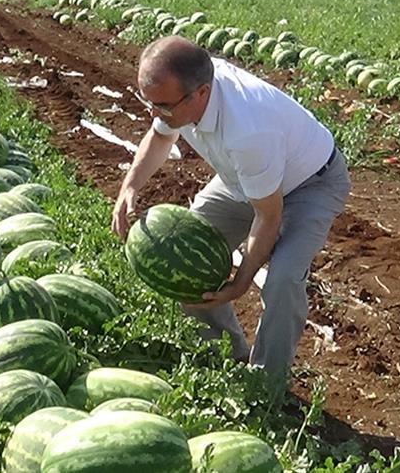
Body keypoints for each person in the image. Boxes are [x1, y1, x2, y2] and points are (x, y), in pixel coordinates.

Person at [111, 35, 351, 383]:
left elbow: (268, 216)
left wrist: (242, 282)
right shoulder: (181, 94)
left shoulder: (248, 130)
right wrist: (129, 186)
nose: (154, 113)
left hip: (311, 184)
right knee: (185, 254)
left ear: (202, 94)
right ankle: (226, 357)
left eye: (162, 106)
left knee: (282, 278)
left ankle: (266, 385)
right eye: (149, 102)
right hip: (246, 180)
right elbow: (161, 136)